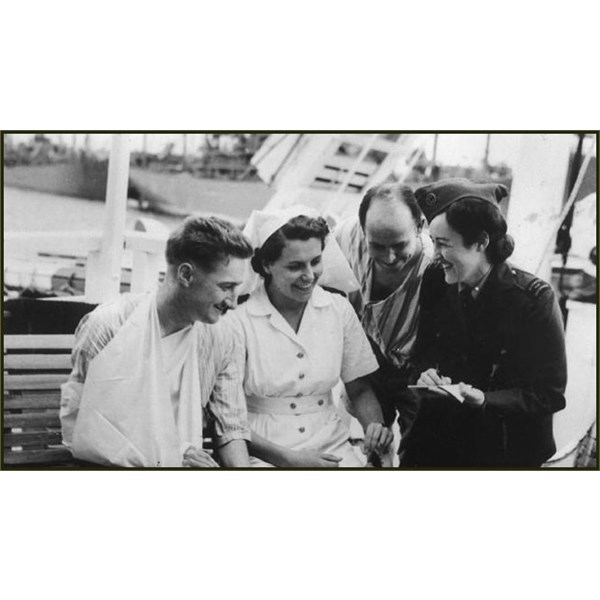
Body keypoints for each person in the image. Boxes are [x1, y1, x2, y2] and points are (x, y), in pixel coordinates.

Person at [60, 216, 254, 468]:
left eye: (236, 288)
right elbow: (91, 427)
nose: (233, 301)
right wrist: (173, 454)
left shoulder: (223, 336)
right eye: (226, 286)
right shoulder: (108, 326)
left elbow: (231, 427)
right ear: (186, 274)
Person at [403, 178, 567, 467]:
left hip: (503, 449)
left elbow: (548, 394)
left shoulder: (533, 299)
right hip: (439, 441)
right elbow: (424, 351)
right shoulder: (435, 279)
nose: (436, 255)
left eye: (443, 244)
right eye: (433, 242)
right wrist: (425, 373)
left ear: (481, 242)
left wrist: (485, 400)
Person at [229, 208, 393, 467]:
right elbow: (227, 416)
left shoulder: (338, 309)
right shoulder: (238, 319)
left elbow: (359, 388)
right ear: (266, 265)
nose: (309, 275)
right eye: (295, 266)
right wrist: (291, 460)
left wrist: (375, 427)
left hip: (331, 443)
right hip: (262, 449)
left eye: (315, 261)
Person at [335, 183, 431, 434]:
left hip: (417, 368)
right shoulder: (344, 238)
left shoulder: (436, 268)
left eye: (400, 245)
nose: (389, 257)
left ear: (420, 227)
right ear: (362, 229)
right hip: (366, 356)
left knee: (418, 444)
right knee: (374, 439)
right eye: (377, 245)